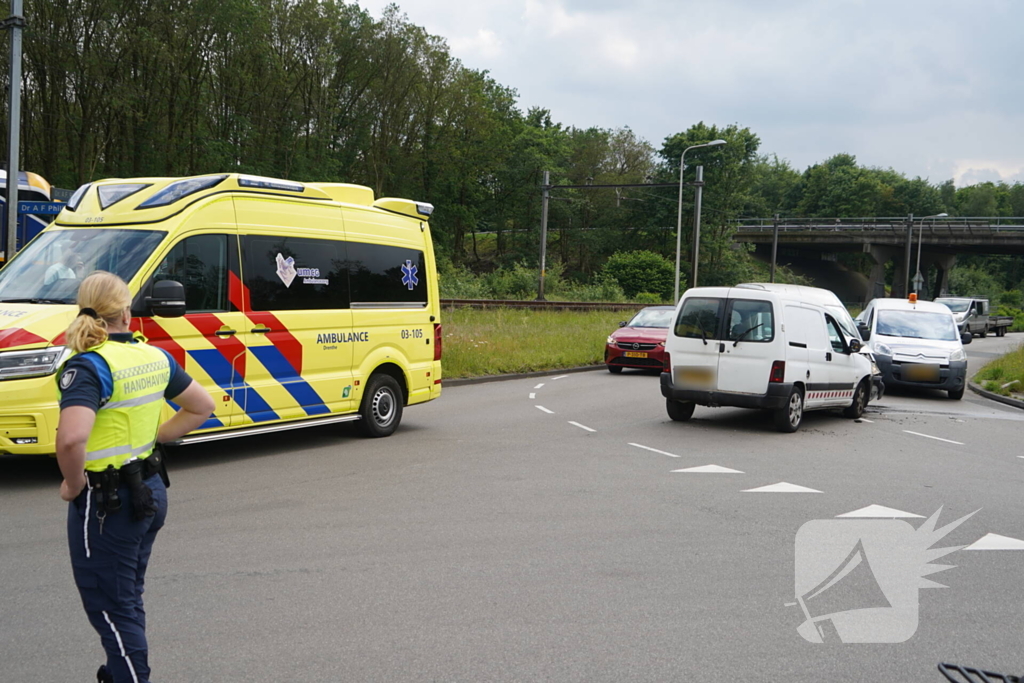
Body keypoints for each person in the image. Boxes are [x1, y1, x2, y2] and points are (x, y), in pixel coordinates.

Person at [56, 271, 214, 683]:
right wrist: (155, 436)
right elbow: (201, 406)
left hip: (108, 504)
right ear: (126, 313)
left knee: (110, 608)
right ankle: (118, 673)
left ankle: (131, 676)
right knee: (125, 597)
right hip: (149, 490)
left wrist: (73, 485)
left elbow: (71, 439)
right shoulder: (154, 356)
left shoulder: (89, 366)